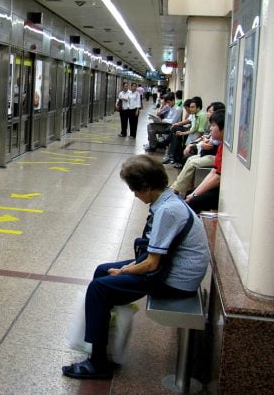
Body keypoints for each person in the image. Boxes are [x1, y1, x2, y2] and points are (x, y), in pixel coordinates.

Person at [62, 154, 209, 379]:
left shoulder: (168, 211)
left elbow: (151, 263)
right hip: (172, 268)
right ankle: (101, 339)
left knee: (98, 289)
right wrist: (126, 268)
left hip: (176, 281)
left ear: (147, 187)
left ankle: (98, 363)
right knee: (102, 271)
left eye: (135, 190)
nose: (134, 194)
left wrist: (123, 271)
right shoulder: (169, 199)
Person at [185, 109, 225, 213]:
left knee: (194, 201)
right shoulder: (221, 145)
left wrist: (195, 195)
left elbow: (217, 177)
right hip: (217, 184)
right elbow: (213, 172)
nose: (210, 128)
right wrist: (194, 192)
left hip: (223, 190)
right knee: (188, 193)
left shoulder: (225, 148)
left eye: (213, 125)